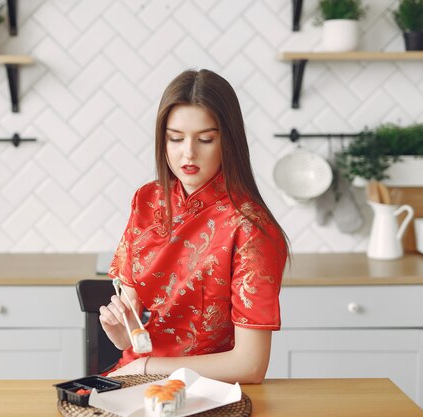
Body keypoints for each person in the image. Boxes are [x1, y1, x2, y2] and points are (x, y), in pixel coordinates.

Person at [99, 69, 289, 384]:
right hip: (134, 379)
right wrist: (123, 334)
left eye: (205, 139)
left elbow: (251, 365)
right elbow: (133, 316)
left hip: (208, 391)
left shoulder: (249, 227)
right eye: (175, 138)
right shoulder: (147, 200)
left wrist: (147, 368)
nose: (188, 152)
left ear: (228, 141)